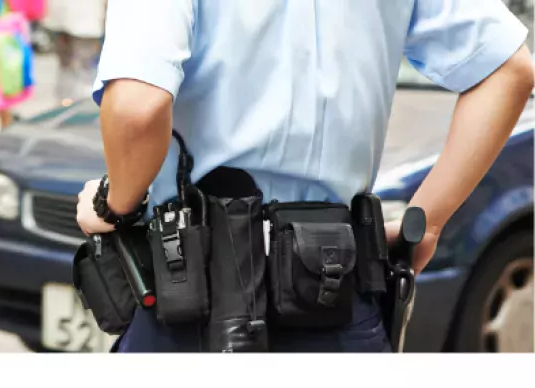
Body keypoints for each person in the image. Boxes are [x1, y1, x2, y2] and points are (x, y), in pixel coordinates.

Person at [75, 0, 533, 352]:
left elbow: (137, 108)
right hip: (341, 299)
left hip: (192, 310)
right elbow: (509, 70)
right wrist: (428, 220)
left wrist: (113, 206)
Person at [42, 0, 106, 106]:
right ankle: (77, 104)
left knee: (68, 65)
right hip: (84, 19)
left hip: (62, 15)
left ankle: (65, 101)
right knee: (82, 67)